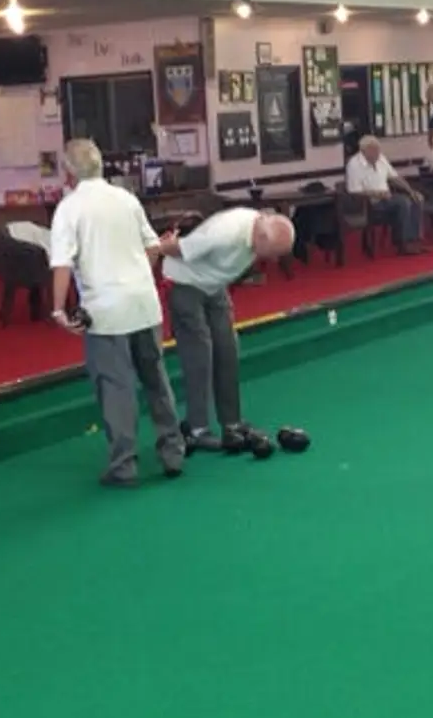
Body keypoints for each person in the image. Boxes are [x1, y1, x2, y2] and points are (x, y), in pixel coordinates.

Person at [49, 139, 184, 487]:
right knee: (156, 378)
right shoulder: (126, 198)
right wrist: (135, 273)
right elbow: (153, 248)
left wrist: (57, 310)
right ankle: (173, 452)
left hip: (105, 311)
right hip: (144, 303)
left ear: (68, 172)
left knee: (116, 388)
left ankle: (124, 465)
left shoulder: (69, 207)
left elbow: (62, 264)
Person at [155, 209, 296, 451]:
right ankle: (197, 429)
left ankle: (232, 423)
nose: (272, 261)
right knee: (200, 352)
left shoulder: (260, 233)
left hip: (214, 285)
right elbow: (175, 248)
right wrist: (160, 244)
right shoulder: (225, 232)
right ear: (261, 239)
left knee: (227, 347)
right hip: (185, 282)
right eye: (272, 254)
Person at [346, 136, 427, 254]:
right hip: (370, 203)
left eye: (378, 150)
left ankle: (414, 241)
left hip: (387, 198)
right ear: (363, 151)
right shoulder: (354, 164)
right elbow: (353, 191)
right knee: (402, 202)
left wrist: (411, 191)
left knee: (415, 199)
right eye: (374, 151)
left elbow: (395, 177)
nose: (377, 154)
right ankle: (402, 244)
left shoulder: (381, 159)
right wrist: (377, 194)